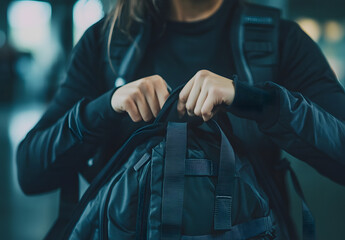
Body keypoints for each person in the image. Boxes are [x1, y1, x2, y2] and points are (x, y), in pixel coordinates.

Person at [17, 0, 345, 238]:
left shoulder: (279, 40)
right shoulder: (108, 40)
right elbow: (31, 171)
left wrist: (256, 100)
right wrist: (105, 106)